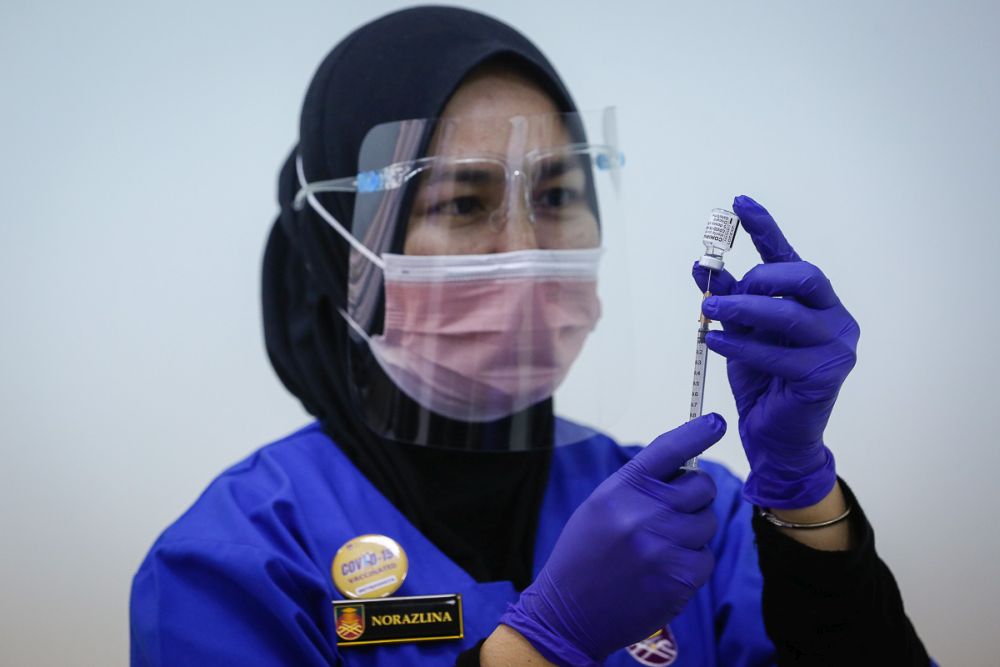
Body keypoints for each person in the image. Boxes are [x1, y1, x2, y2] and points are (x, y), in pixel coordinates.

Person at [130, 7, 933, 666]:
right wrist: (545, 644)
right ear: (347, 251)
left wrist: (803, 503)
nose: (525, 244)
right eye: (463, 202)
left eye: (556, 193)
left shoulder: (698, 517)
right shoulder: (240, 559)